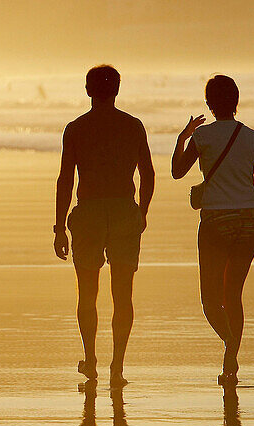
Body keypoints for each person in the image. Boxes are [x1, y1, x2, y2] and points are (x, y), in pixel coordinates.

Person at [171, 75, 254, 386]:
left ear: (209, 104)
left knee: (210, 301)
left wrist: (182, 137)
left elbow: (176, 172)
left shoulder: (203, 138)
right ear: (236, 102)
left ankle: (230, 350)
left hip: (215, 223)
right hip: (251, 221)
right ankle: (231, 361)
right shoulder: (252, 137)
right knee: (233, 296)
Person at [53, 65, 154, 388]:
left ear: (88, 90)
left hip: (90, 213)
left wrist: (58, 227)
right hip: (125, 211)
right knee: (123, 295)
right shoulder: (133, 126)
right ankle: (118, 367)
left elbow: (66, 179)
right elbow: (148, 175)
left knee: (88, 293)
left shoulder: (76, 128)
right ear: (117, 91)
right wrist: (143, 213)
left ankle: (91, 360)